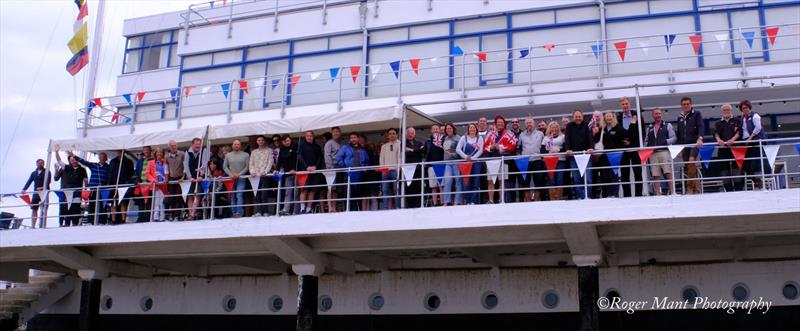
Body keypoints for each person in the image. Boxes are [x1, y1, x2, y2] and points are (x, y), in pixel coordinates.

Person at [483, 115, 518, 203]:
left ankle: (501, 200)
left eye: (501, 123)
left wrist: (500, 147)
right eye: (498, 123)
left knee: (501, 181)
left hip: (503, 161)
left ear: (504, 124)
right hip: (491, 160)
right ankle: (490, 200)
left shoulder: (509, 133)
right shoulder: (490, 134)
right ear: (495, 124)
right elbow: (484, 147)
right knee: (490, 181)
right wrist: (491, 147)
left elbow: (512, 146)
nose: (500, 124)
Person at [70, 150, 110, 225]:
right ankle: (91, 221)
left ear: (106, 159)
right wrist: (74, 156)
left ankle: (102, 221)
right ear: (99, 158)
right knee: (92, 205)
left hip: (102, 190)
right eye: (100, 157)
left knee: (102, 205)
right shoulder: (94, 165)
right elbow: (84, 162)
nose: (102, 158)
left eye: (103, 157)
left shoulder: (108, 167)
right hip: (93, 189)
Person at [676, 96, 704, 194]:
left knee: (691, 161)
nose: (686, 106)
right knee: (688, 165)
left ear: (691, 104)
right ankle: (696, 188)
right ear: (681, 106)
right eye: (684, 104)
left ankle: (690, 188)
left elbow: (701, 126)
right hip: (684, 145)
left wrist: (700, 138)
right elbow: (679, 134)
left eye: (688, 104)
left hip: (694, 143)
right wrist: (679, 148)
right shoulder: (679, 117)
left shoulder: (697, 114)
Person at [738, 99, 770, 188]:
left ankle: (759, 182)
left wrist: (750, 138)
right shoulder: (742, 118)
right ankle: (756, 180)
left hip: (756, 141)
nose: (745, 109)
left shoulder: (755, 116)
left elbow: (758, 128)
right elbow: (743, 131)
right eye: (743, 108)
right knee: (744, 164)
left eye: (746, 107)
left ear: (749, 107)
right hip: (747, 142)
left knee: (755, 162)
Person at [645, 108, 677, 195]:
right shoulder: (649, 128)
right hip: (653, 153)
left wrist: (665, 141)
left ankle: (673, 192)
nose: (658, 115)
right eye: (656, 114)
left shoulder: (668, 125)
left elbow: (674, 138)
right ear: (653, 115)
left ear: (661, 114)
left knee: (668, 172)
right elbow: (646, 140)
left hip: (664, 151)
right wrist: (647, 145)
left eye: (659, 113)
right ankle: (658, 194)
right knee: (655, 175)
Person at [594, 112, 625, 198]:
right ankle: (608, 194)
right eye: (607, 116)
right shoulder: (601, 129)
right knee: (605, 174)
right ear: (604, 118)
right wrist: (596, 133)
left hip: (615, 155)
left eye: (610, 116)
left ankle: (615, 194)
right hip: (604, 155)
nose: (608, 118)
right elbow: (596, 140)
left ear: (613, 117)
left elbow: (624, 137)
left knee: (614, 175)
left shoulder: (618, 127)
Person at [565, 109, 594, 199]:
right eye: (576, 116)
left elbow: (590, 137)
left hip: (586, 155)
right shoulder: (569, 126)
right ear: (573, 117)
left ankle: (588, 196)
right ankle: (580, 197)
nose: (578, 118)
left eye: (579, 116)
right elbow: (567, 138)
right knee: (577, 178)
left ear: (582, 116)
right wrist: (568, 149)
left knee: (588, 178)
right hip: (573, 156)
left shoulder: (586, 125)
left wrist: (591, 148)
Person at [54, 146, 87, 226]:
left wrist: (85, 190)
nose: (74, 161)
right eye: (72, 160)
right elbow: (59, 161)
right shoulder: (67, 168)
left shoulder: (82, 169)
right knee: (66, 208)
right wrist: (57, 152)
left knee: (76, 208)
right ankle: (66, 224)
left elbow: (86, 180)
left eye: (75, 160)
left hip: (77, 192)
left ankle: (75, 223)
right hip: (67, 192)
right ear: (70, 161)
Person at [617, 97, 643, 197]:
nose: (625, 106)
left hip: (635, 148)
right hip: (624, 149)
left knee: (637, 172)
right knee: (624, 173)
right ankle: (627, 195)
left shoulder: (637, 115)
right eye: (623, 104)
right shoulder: (618, 117)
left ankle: (638, 194)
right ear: (621, 106)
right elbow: (618, 133)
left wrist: (639, 145)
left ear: (629, 104)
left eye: (626, 103)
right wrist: (623, 141)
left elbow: (642, 131)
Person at [337, 132, 370, 211]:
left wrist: (364, 169)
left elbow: (366, 160)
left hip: (360, 173)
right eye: (351, 138)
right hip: (349, 173)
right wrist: (345, 168)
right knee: (349, 194)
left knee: (359, 194)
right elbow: (339, 159)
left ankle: (360, 213)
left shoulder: (362, 149)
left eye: (354, 137)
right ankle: (350, 211)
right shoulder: (345, 148)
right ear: (350, 139)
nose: (353, 139)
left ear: (358, 139)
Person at [714, 104, 741, 192]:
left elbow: (739, 132)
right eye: (725, 110)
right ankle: (728, 190)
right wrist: (719, 140)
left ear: (731, 110)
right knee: (723, 169)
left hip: (735, 148)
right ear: (722, 111)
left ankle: (738, 189)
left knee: (736, 168)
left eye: (728, 110)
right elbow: (716, 134)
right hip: (722, 149)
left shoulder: (737, 120)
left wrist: (732, 140)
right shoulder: (718, 123)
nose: (726, 111)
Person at [518, 117, 545, 202]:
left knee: (538, 180)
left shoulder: (540, 134)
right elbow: (518, 147)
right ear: (525, 125)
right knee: (525, 181)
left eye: (530, 122)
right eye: (527, 123)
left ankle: (537, 199)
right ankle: (528, 200)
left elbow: (544, 146)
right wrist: (519, 155)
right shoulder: (521, 135)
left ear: (534, 124)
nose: (529, 124)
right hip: (525, 160)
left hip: (537, 159)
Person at [456, 123, 484, 204]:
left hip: (476, 163)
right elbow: (458, 149)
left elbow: (481, 150)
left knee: (476, 181)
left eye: (473, 127)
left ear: (476, 129)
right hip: (466, 163)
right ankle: (468, 201)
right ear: (468, 129)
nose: (472, 129)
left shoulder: (480, 138)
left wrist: (473, 158)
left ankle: (474, 201)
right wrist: (465, 157)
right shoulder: (463, 138)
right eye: (470, 128)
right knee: (466, 182)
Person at [183, 138, 209, 220]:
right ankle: (191, 213)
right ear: (192, 144)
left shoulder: (203, 151)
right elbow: (186, 165)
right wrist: (189, 177)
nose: (198, 146)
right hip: (191, 178)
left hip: (199, 177)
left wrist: (201, 175)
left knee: (197, 195)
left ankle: (192, 214)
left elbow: (205, 164)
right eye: (196, 144)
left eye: (199, 144)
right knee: (190, 196)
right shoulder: (188, 152)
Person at [298, 131, 324, 214]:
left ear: (313, 137)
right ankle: (302, 208)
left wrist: (315, 166)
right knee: (304, 190)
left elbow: (320, 158)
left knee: (312, 190)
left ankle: (309, 208)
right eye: (307, 136)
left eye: (310, 136)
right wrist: (306, 167)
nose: (309, 137)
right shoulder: (301, 146)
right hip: (304, 171)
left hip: (315, 171)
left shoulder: (317, 147)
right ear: (305, 137)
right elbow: (300, 157)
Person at [223, 139, 250, 217]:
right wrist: (230, 174)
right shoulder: (228, 155)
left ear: (240, 146)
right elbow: (225, 166)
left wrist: (239, 174)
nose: (236, 145)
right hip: (231, 179)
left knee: (239, 194)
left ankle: (239, 213)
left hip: (241, 178)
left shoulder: (246, 155)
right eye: (235, 144)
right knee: (232, 196)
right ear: (232, 145)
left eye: (238, 144)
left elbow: (247, 167)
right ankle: (233, 213)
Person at [107, 150, 135, 224]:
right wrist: (109, 184)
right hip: (113, 184)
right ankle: (113, 219)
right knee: (113, 202)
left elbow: (131, 174)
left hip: (124, 184)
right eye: (118, 152)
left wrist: (128, 183)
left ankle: (123, 219)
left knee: (123, 202)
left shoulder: (128, 162)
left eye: (121, 152)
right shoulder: (113, 161)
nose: (119, 153)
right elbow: (110, 173)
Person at [249, 135, 274, 217]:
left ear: (264, 141)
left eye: (262, 140)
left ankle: (265, 211)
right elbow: (251, 163)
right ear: (257, 142)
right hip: (255, 176)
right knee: (256, 194)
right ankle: (258, 212)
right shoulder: (254, 152)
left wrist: (266, 171)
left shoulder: (269, 150)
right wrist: (252, 171)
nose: (260, 141)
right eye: (259, 140)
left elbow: (270, 161)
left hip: (264, 175)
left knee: (264, 193)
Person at [22, 159, 50, 228]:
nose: (41, 164)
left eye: (42, 163)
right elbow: (29, 181)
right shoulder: (33, 173)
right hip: (36, 193)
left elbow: (48, 181)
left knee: (44, 209)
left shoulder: (47, 172)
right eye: (39, 163)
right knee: (34, 209)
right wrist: (24, 189)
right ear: (36, 164)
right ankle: (33, 226)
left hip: (44, 193)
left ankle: (43, 225)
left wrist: (42, 188)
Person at [379, 128, 401, 209]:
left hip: (395, 170)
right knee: (385, 191)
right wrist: (383, 169)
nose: (392, 135)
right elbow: (381, 158)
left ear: (396, 135)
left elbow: (400, 158)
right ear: (388, 136)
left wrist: (398, 169)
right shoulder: (384, 146)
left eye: (393, 133)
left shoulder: (399, 144)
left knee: (396, 190)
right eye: (390, 133)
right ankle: (385, 208)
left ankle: (397, 207)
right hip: (385, 171)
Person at [544, 121, 566, 201]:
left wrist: (558, 150)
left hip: (560, 160)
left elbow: (566, 148)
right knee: (551, 179)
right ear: (549, 128)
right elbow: (542, 150)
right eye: (552, 127)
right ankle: (553, 199)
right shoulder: (546, 138)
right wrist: (549, 152)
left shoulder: (562, 137)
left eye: (556, 127)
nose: (554, 129)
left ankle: (559, 198)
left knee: (560, 179)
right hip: (549, 161)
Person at [441, 123, 463, 206]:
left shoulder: (458, 138)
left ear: (453, 129)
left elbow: (460, 151)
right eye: (447, 129)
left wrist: (453, 154)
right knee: (447, 181)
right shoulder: (445, 138)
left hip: (456, 162)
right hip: (447, 163)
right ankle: (447, 201)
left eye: (450, 128)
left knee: (458, 181)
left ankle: (457, 202)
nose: (448, 130)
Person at [146, 148, 169, 222]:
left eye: (161, 152)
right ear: (155, 154)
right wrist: (153, 180)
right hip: (155, 185)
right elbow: (147, 173)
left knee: (162, 201)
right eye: (158, 152)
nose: (159, 154)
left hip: (163, 185)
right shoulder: (151, 162)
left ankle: (162, 217)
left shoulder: (164, 163)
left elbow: (166, 172)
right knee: (156, 201)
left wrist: (166, 179)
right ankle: (155, 217)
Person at [404, 127, 426, 208]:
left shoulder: (419, 143)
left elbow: (423, 151)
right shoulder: (403, 143)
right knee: (409, 188)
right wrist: (417, 151)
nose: (410, 134)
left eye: (412, 133)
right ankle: (409, 206)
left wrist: (412, 150)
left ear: (415, 134)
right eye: (409, 133)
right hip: (408, 169)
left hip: (418, 169)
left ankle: (418, 206)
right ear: (406, 134)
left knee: (418, 187)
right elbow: (406, 152)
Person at [277, 135, 298, 215]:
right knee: (288, 192)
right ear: (282, 142)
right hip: (287, 174)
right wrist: (276, 169)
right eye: (285, 141)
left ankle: (296, 210)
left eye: (288, 140)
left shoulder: (295, 146)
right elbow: (280, 160)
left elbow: (295, 159)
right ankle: (286, 209)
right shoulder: (282, 149)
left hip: (296, 173)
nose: (287, 142)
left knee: (296, 192)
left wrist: (294, 168)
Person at [165, 140, 186, 221]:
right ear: (169, 147)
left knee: (178, 197)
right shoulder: (167, 157)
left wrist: (183, 177)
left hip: (180, 178)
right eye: (172, 146)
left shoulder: (182, 154)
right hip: (172, 178)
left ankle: (177, 215)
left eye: (175, 145)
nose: (174, 147)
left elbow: (185, 166)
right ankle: (172, 215)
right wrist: (166, 178)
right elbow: (166, 168)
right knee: (172, 197)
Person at [323, 127, 343, 212]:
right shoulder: (329, 143)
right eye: (334, 132)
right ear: (332, 133)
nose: (335, 133)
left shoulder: (342, 143)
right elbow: (327, 156)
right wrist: (330, 168)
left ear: (340, 133)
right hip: (331, 168)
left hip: (340, 168)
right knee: (330, 188)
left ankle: (334, 207)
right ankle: (330, 207)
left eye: (337, 132)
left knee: (336, 190)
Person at [425, 124, 445, 206]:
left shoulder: (443, 140)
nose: (436, 130)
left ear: (439, 130)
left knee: (441, 186)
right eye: (434, 129)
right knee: (433, 186)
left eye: (437, 129)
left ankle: (442, 202)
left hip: (441, 165)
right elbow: (423, 151)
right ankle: (435, 203)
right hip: (431, 165)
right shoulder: (428, 141)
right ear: (431, 130)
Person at [134, 146, 153, 222]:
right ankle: (141, 217)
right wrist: (137, 180)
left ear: (150, 151)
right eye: (144, 150)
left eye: (147, 150)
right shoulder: (139, 161)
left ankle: (148, 217)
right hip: (141, 184)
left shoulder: (152, 160)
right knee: (140, 202)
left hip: (150, 184)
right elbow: (136, 172)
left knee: (149, 202)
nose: (146, 152)